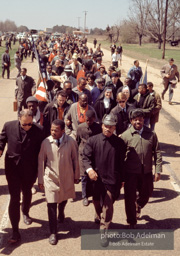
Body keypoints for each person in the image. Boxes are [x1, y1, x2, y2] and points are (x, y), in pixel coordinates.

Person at [0, 109, 44, 243]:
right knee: (14, 197)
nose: (27, 127)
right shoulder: (9, 126)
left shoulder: (39, 130)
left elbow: (42, 151)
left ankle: (25, 212)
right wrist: (0, 149)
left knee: (27, 192)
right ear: (19, 119)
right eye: (24, 124)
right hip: (12, 168)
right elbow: (2, 140)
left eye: (30, 124)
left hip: (29, 169)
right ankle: (15, 231)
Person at [82, 114, 125, 246]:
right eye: (106, 126)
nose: (108, 129)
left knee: (107, 205)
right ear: (102, 126)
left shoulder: (119, 143)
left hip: (112, 179)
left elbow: (122, 163)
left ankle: (104, 231)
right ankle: (97, 214)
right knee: (96, 201)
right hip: (96, 179)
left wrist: (122, 179)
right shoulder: (93, 141)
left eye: (111, 127)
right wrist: (89, 170)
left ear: (114, 128)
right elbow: (85, 157)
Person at [38, 119, 80, 245]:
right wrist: (40, 180)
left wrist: (76, 175)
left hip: (66, 176)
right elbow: (41, 162)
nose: (53, 132)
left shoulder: (71, 142)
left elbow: (75, 159)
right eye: (51, 129)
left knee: (63, 198)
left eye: (56, 130)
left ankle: (61, 211)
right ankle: (53, 232)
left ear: (63, 131)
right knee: (51, 204)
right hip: (50, 177)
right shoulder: (46, 142)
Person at [121, 109, 162, 229]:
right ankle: (131, 221)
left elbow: (157, 152)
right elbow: (120, 156)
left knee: (147, 193)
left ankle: (138, 205)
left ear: (144, 120)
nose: (138, 121)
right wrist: (121, 175)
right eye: (135, 119)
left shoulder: (151, 134)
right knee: (129, 198)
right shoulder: (125, 136)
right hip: (130, 173)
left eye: (140, 119)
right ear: (131, 121)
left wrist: (158, 170)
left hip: (147, 172)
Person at [76, 110, 102, 206]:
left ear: (94, 119)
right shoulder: (80, 127)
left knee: (94, 175)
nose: (88, 122)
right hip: (83, 153)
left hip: (94, 154)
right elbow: (77, 141)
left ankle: (95, 194)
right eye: (87, 120)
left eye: (90, 120)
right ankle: (84, 196)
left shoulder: (98, 127)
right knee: (84, 177)